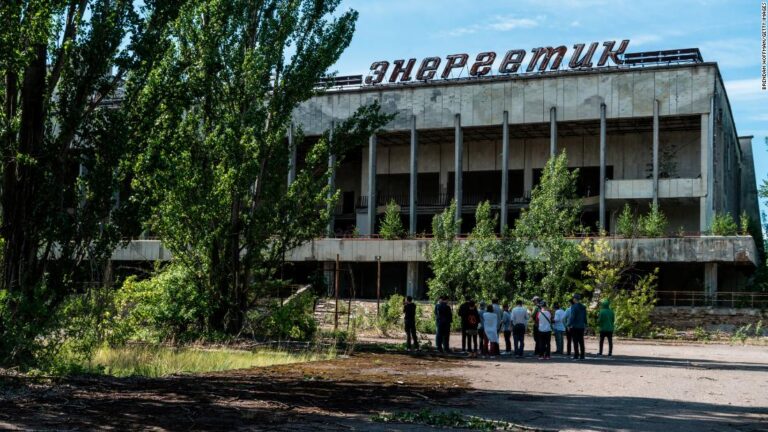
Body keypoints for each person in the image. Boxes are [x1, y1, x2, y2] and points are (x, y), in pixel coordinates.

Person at [569, 293, 587, 360]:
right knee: (581, 341)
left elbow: (572, 317)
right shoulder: (583, 307)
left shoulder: (574, 307)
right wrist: (585, 324)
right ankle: (582, 355)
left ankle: (576, 355)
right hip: (581, 326)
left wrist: (569, 324)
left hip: (575, 326)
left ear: (574, 299)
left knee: (575, 341)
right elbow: (585, 317)